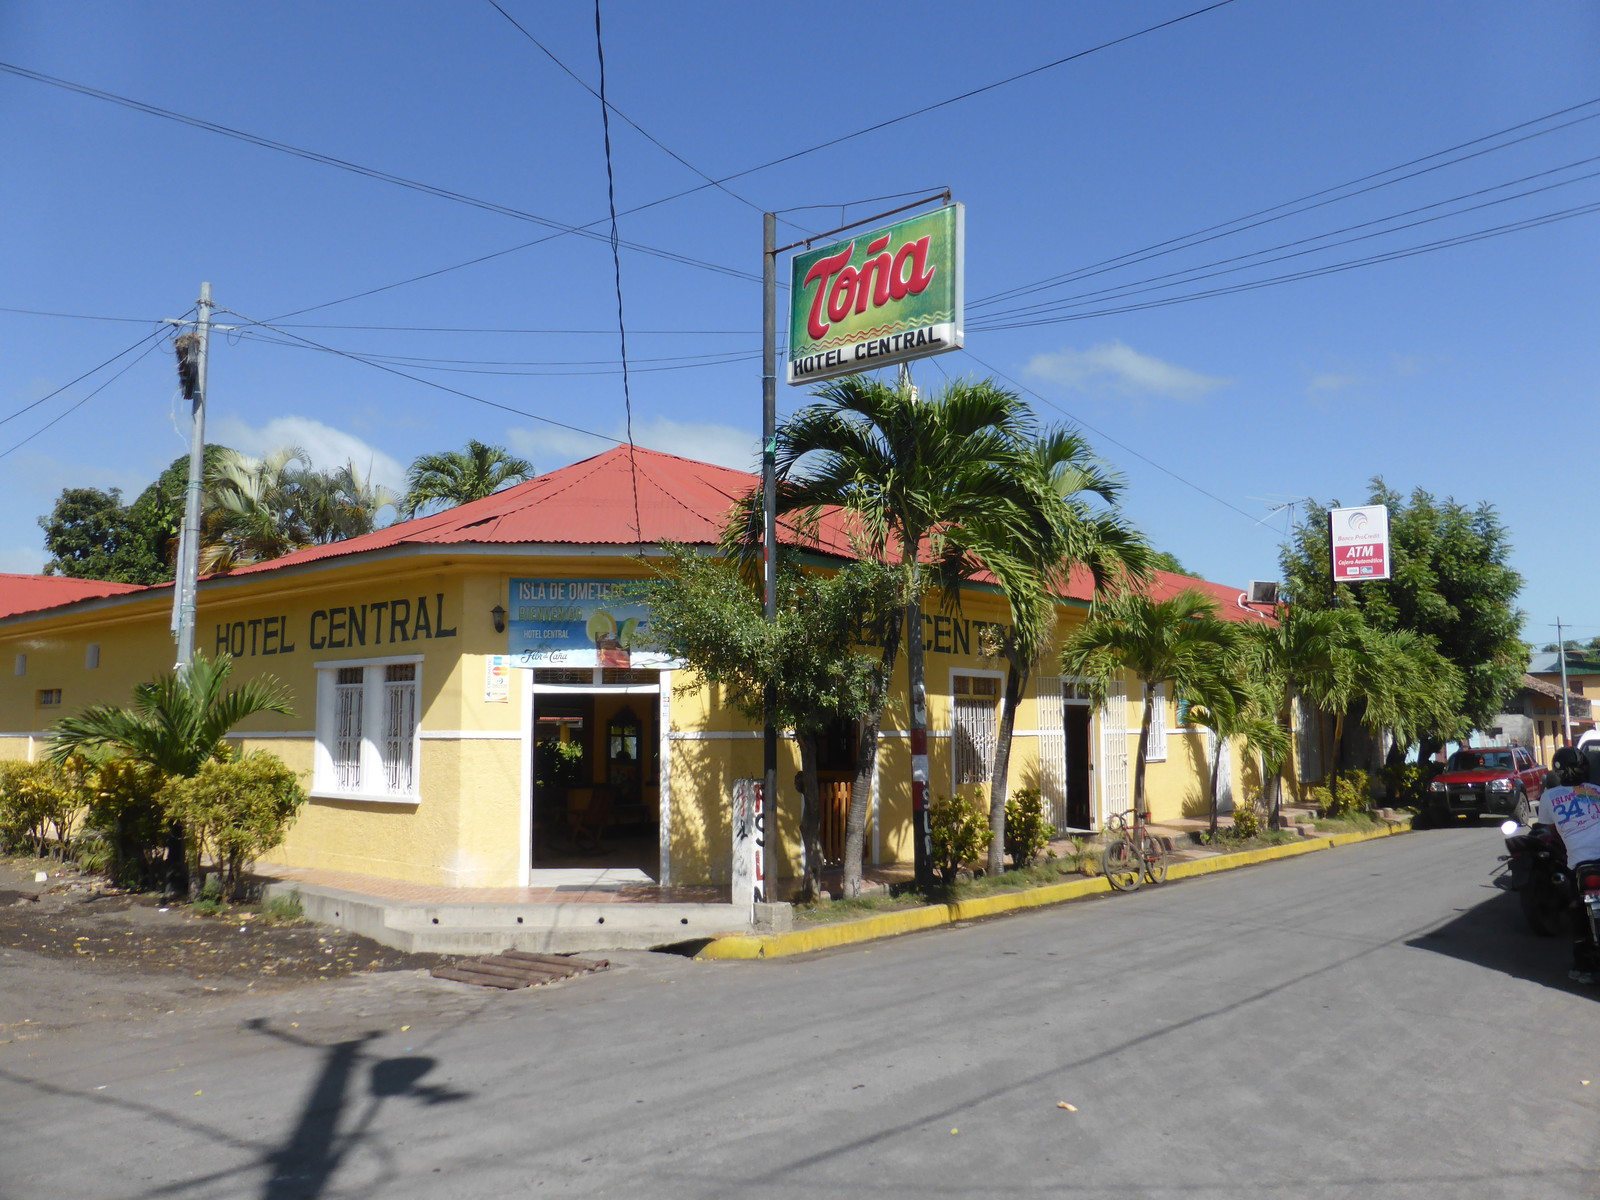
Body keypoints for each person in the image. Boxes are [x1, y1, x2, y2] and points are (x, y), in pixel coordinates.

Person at [1537, 747, 1600, 983]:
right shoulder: (1596, 791)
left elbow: (1552, 831)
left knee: (1579, 912)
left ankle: (1583, 968)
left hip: (1580, 864)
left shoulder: (1548, 797)